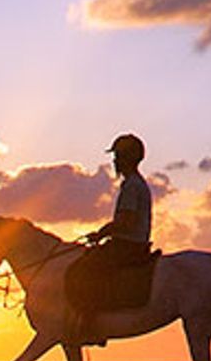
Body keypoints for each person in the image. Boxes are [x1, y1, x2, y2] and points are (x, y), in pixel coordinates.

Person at [66, 133, 154, 342]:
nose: (115, 160)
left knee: (85, 269)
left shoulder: (132, 185)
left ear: (127, 158)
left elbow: (125, 221)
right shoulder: (136, 183)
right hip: (132, 242)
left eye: (118, 156)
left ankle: (90, 324)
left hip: (127, 245)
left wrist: (101, 234)